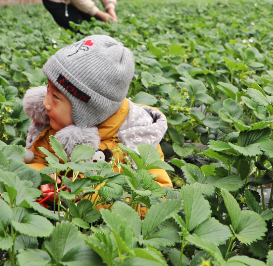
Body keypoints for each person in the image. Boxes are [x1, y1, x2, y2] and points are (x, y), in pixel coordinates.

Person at [21, 34, 172, 189]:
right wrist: (41, 175)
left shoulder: (138, 142)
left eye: (55, 96)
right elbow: (34, 161)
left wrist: (90, 196)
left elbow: (160, 194)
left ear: (88, 110)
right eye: (48, 88)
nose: (45, 103)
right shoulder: (50, 129)